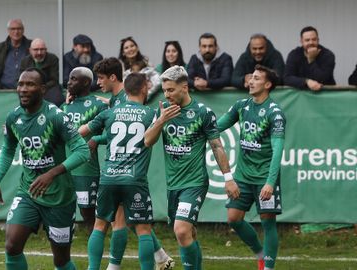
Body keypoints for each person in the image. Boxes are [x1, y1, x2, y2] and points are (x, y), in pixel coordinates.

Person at [0, 67, 90, 270]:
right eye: (20, 84)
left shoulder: (56, 116)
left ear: (42, 89)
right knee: (12, 245)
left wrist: (51, 174)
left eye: (30, 84)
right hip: (28, 192)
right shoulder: (13, 118)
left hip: (59, 197)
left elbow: (82, 151)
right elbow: (8, 150)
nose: (23, 89)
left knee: (61, 260)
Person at [144, 65, 236, 270]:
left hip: (195, 182)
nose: (166, 95)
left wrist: (228, 178)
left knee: (181, 230)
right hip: (173, 184)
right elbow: (147, 141)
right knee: (189, 232)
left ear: (184, 88)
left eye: (170, 90)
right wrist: (161, 120)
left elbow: (217, 146)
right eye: (164, 90)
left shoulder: (203, 113)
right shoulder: (163, 113)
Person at [93, 57, 174, 270]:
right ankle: (160, 257)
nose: (98, 82)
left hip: (117, 169)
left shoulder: (121, 102)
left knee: (118, 221)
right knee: (137, 222)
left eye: (101, 78)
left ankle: (114, 266)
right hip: (132, 173)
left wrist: (95, 139)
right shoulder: (117, 100)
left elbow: (112, 135)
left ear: (113, 78)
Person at [80, 73, 157, 270]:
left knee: (100, 226)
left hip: (108, 178)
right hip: (135, 180)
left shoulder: (110, 112)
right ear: (143, 89)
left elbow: (82, 131)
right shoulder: (151, 113)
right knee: (143, 230)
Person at [218, 64, 286, 270]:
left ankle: (268, 268)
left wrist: (270, 183)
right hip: (243, 176)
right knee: (233, 219)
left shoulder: (275, 113)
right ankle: (260, 253)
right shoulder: (241, 106)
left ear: (267, 84)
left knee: (268, 222)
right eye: (251, 77)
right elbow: (216, 127)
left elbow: (277, 150)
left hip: (265, 177)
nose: (251, 81)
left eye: (256, 78)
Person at [60, 67, 108, 234]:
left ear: (86, 82)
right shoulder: (65, 106)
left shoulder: (99, 105)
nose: (68, 82)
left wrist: (97, 139)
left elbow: (114, 133)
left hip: (86, 170)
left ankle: (94, 255)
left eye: (74, 79)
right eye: (69, 78)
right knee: (63, 212)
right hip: (64, 168)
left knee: (87, 213)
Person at [284, 26, 335, 91]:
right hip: (300, 94)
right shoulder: (294, 54)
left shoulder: (328, 55)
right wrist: (306, 81)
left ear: (318, 40)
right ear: (301, 42)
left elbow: (322, 79)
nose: (311, 42)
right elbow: (287, 78)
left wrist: (311, 60)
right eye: (307, 40)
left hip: (324, 93)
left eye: (314, 39)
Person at [0, 19, 31, 89]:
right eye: (13, 29)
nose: (16, 32)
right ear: (8, 31)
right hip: (4, 93)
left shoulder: (32, 47)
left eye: (19, 29)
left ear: (23, 30)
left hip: (27, 91)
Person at [20, 38, 63, 106]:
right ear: (30, 50)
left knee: (56, 100)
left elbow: (54, 80)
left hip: (49, 87)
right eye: (36, 50)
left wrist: (40, 87)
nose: (39, 52)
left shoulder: (53, 58)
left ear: (46, 50)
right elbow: (19, 80)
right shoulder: (24, 62)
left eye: (42, 49)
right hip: (30, 88)